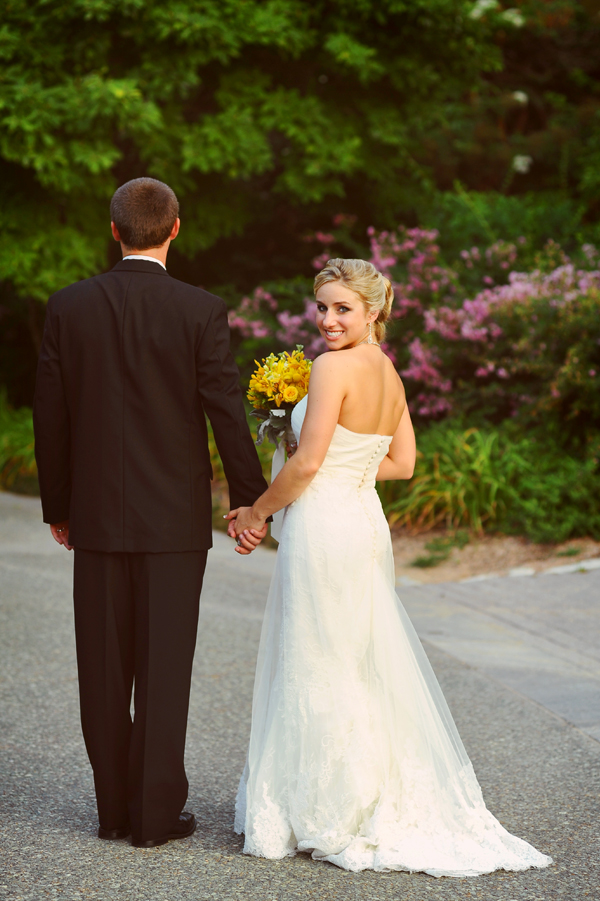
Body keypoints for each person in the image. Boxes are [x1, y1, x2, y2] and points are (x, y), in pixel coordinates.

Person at [227, 259, 552, 876]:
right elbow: (402, 463)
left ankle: (328, 808)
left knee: (320, 658)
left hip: (325, 529)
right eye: (322, 307)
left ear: (375, 310)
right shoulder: (388, 371)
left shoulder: (332, 368)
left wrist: (256, 514)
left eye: (343, 308)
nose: (328, 320)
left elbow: (304, 466)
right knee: (355, 659)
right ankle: (365, 795)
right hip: (365, 524)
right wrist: (345, 471)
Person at [33, 177, 268, 848]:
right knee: (165, 667)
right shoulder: (201, 309)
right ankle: (154, 815)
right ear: (175, 228)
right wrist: (246, 500)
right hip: (173, 521)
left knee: (103, 667)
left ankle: (113, 810)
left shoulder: (68, 306)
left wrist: (60, 506)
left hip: (98, 518)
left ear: (114, 231)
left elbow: (49, 411)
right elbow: (225, 407)